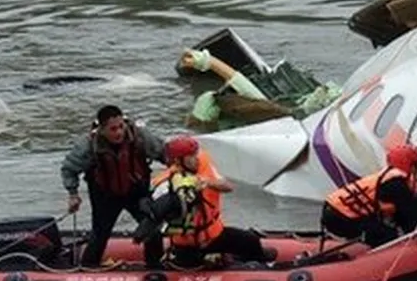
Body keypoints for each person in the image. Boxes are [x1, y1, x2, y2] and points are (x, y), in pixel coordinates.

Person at [60, 105, 167, 269]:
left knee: (152, 230)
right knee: (100, 235)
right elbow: (69, 169)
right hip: (105, 196)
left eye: (121, 127)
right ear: (102, 130)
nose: (119, 133)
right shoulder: (89, 146)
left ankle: (154, 267)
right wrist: (73, 194)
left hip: (136, 193)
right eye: (113, 129)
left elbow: (164, 153)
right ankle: (88, 267)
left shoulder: (140, 137)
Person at [151, 136, 270, 267]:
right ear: (178, 161)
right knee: (192, 264)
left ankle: (259, 266)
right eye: (190, 156)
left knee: (251, 241)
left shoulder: (204, 167)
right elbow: (156, 220)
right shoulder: (165, 186)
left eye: (195, 154)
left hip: (214, 235)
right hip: (186, 244)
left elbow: (228, 187)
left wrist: (208, 183)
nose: (196, 159)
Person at [321, 144, 417, 247]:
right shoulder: (397, 184)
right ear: (409, 165)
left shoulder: (387, 176)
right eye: (415, 165)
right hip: (342, 217)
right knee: (389, 236)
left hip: (331, 210)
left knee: (379, 228)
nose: (416, 169)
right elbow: (408, 216)